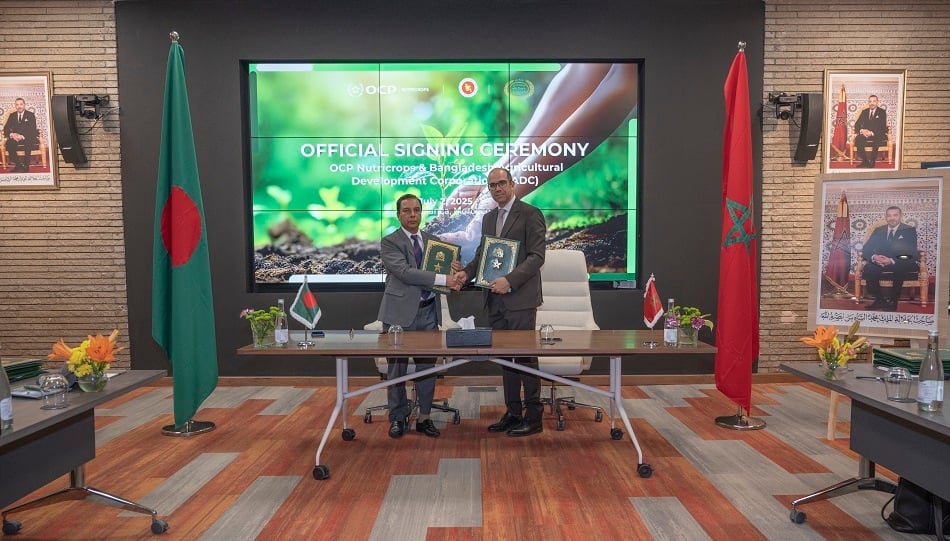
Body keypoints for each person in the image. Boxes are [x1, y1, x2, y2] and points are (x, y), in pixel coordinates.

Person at [451, 167, 546, 436]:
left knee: (525, 358)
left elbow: (537, 256)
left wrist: (510, 280)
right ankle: (513, 413)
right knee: (505, 360)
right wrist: (466, 274)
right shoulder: (489, 218)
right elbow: (483, 255)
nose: (497, 189)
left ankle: (534, 416)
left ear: (512, 184)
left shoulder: (530, 214)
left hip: (520, 299)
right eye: (492, 185)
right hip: (494, 299)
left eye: (502, 183)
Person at [378, 193, 460, 439]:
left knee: (427, 369)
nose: (412, 215)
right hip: (398, 314)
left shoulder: (434, 242)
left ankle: (425, 417)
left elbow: (446, 268)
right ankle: (397, 418)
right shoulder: (389, 242)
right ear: (398, 215)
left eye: (416, 210)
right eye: (407, 211)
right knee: (396, 370)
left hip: (428, 313)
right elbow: (405, 273)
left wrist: (455, 268)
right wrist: (444, 278)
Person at [861, 206, 918, 311]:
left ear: (900, 216)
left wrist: (891, 260)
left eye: (895, 215)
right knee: (869, 268)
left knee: (900, 267)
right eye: (889, 215)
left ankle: (893, 301)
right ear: (886, 217)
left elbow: (911, 253)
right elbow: (866, 248)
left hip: (901, 261)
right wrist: (875, 257)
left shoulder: (909, 230)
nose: (892, 218)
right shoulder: (879, 230)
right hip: (881, 261)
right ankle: (879, 300)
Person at [3, 98, 39, 173]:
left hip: (27, 137)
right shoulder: (12, 115)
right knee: (9, 143)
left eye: (21, 104)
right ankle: (18, 165)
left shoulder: (30, 115)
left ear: (24, 105)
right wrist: (12, 134)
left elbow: (32, 130)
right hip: (15, 137)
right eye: (17, 104)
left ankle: (26, 166)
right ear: (15, 106)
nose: (19, 106)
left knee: (28, 142)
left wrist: (22, 136)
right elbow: (6, 128)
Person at [852, 95, 887, 169]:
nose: (872, 103)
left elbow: (883, 127)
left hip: (877, 133)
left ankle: (872, 161)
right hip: (865, 133)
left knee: (877, 139)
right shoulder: (864, 112)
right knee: (858, 139)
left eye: (874, 101)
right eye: (870, 101)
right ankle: (865, 161)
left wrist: (871, 133)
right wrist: (862, 131)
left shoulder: (882, 112)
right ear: (868, 102)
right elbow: (857, 124)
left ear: (877, 102)